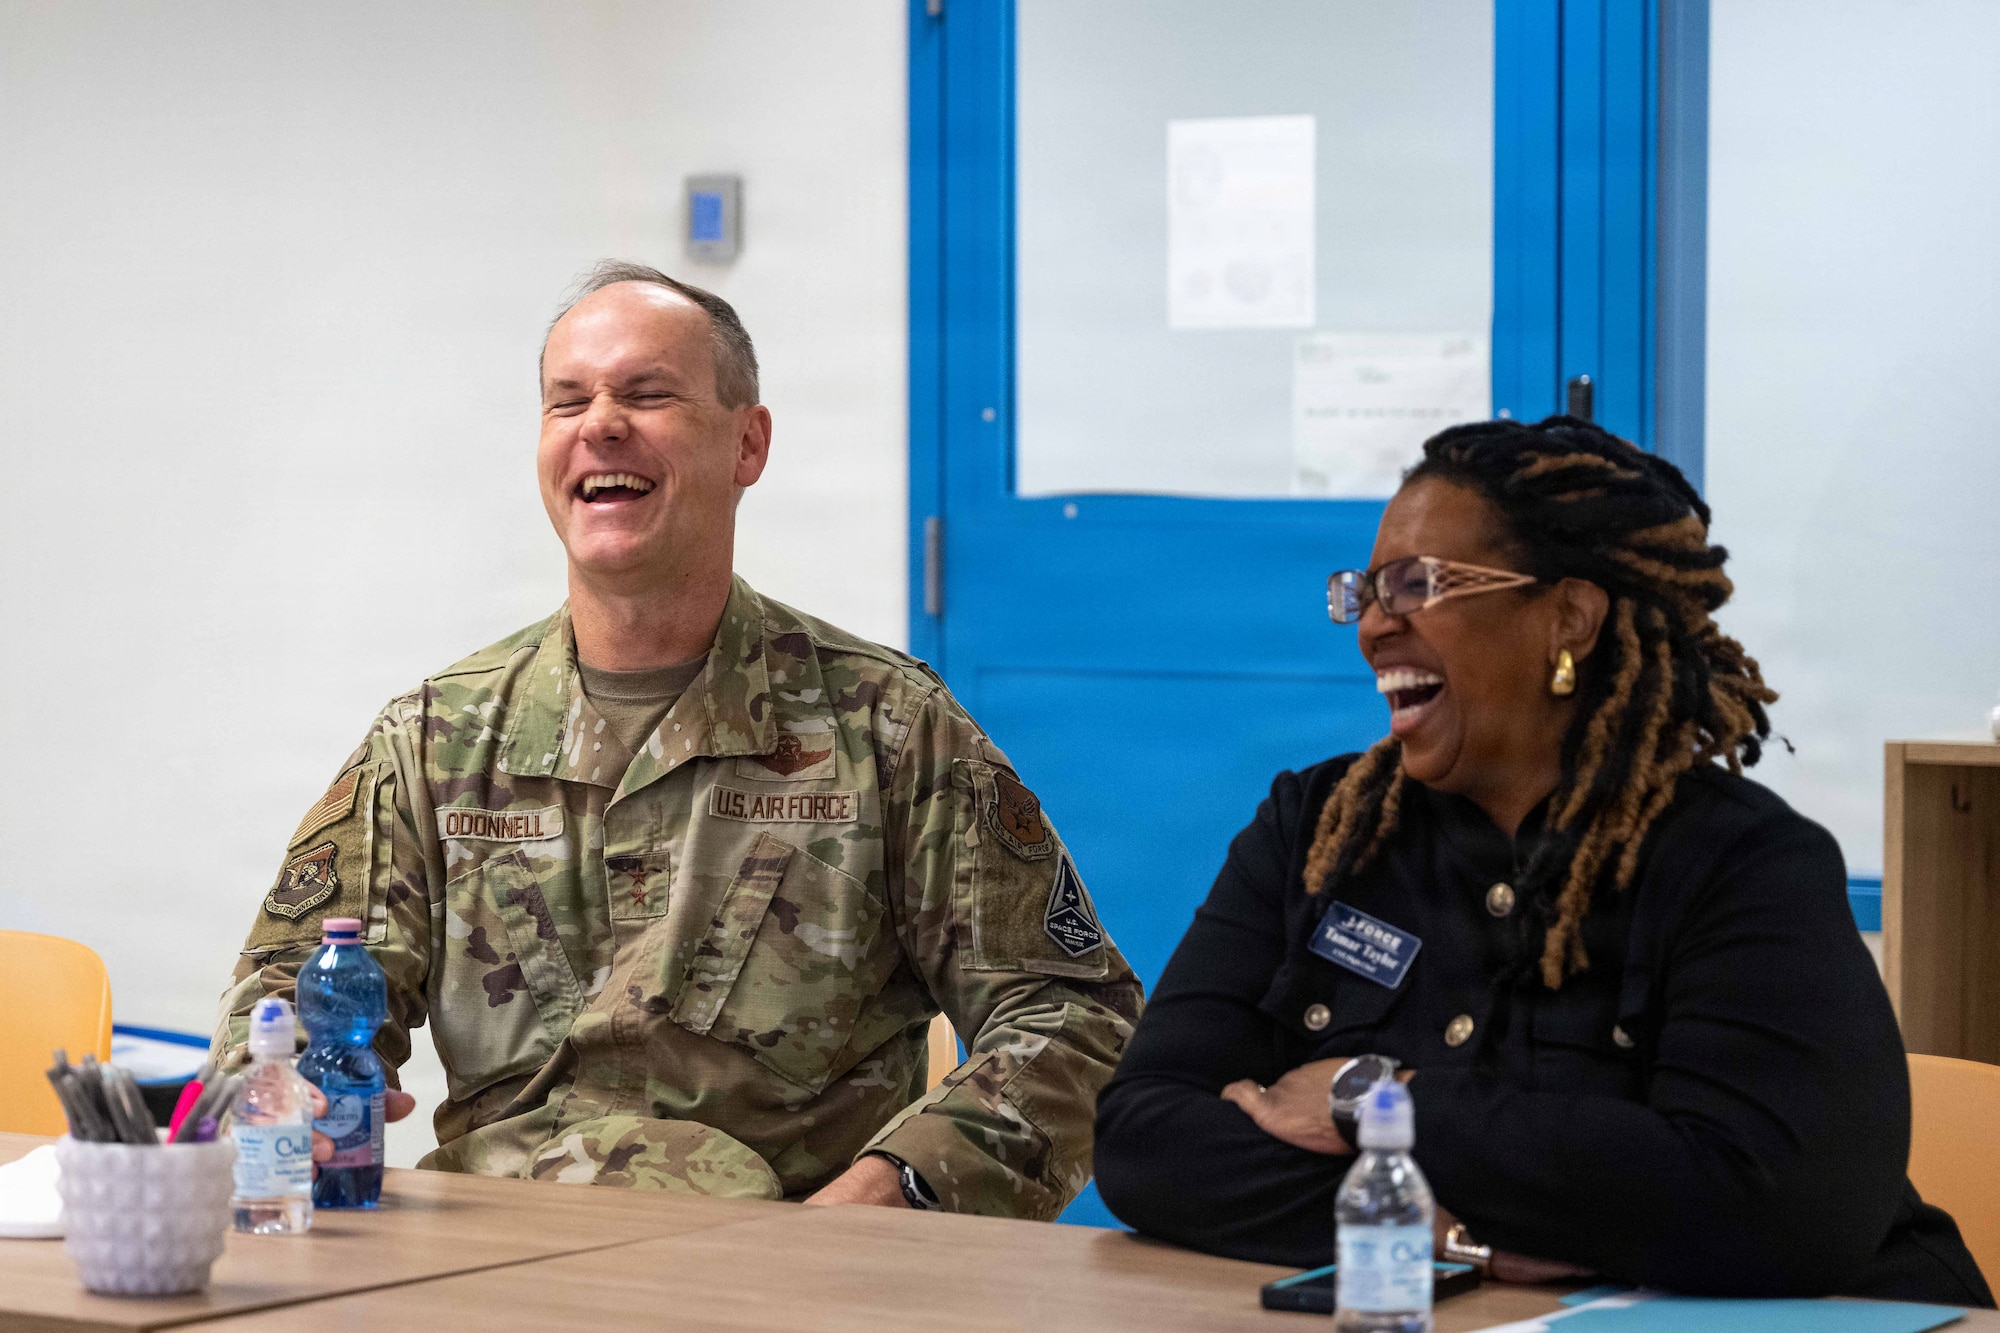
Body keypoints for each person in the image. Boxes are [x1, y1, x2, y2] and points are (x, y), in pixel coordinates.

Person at [215, 261, 1142, 1217]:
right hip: (496, 1250)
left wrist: (897, 1190)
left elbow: (1076, 1016)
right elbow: (283, 994)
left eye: (647, 394)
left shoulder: (886, 729)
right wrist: (284, 1087)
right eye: (567, 400)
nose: (600, 424)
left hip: (779, 1261)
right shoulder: (436, 742)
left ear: (749, 443)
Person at [1092, 416, 1992, 1304]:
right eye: (1363, 591)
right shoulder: (1318, 828)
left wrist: (1374, 1099)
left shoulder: (1741, 862)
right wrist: (1437, 1233)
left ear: (1569, 617)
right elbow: (1145, 1139)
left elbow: (1779, 1203)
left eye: (1414, 585)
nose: (1372, 626)